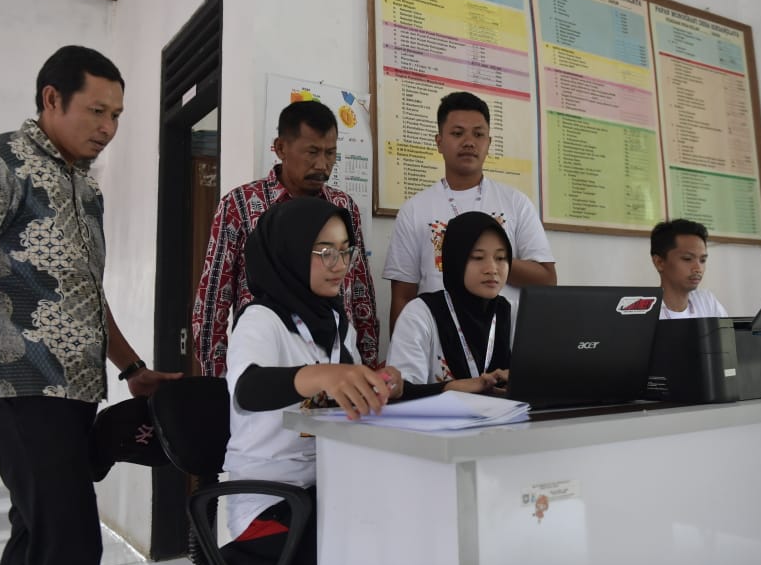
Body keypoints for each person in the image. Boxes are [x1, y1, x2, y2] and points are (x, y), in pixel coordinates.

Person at [0, 45, 180, 565]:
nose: (108, 127)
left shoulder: (84, 188)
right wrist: (1, 342)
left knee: (37, 536)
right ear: (51, 99)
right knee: (71, 543)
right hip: (19, 390)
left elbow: (85, 294)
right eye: (96, 111)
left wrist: (131, 368)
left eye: (117, 115)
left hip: (72, 392)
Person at [223, 196, 402, 565]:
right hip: (271, 502)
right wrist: (320, 375)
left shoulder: (337, 324)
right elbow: (248, 389)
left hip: (329, 487)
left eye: (344, 251)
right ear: (288, 252)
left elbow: (342, 400)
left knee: (404, 524)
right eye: (324, 252)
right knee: (362, 547)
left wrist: (383, 385)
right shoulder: (261, 319)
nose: (338, 266)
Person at [193, 100, 380, 376]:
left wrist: (369, 365)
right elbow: (213, 301)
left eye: (330, 153)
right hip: (267, 356)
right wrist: (219, 383)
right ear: (281, 148)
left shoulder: (343, 206)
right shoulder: (241, 205)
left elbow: (360, 292)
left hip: (337, 357)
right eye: (312, 152)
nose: (322, 164)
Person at [383, 91, 556, 332]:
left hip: (505, 341)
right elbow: (403, 296)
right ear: (439, 141)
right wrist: (399, 359)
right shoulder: (414, 210)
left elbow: (546, 280)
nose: (469, 142)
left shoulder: (516, 203)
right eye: (457, 133)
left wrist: (489, 260)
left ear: (488, 143)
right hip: (439, 345)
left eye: (478, 134)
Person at [387, 211, 512, 395]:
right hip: (436, 423)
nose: (492, 269)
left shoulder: (513, 312)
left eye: (501, 258)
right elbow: (397, 391)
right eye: (477, 257)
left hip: (509, 423)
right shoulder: (420, 314)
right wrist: (450, 388)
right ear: (456, 260)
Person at [650, 219, 729, 319]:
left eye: (702, 260)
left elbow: (729, 334)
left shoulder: (706, 301)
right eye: (687, 259)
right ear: (659, 262)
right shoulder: (644, 311)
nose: (698, 268)